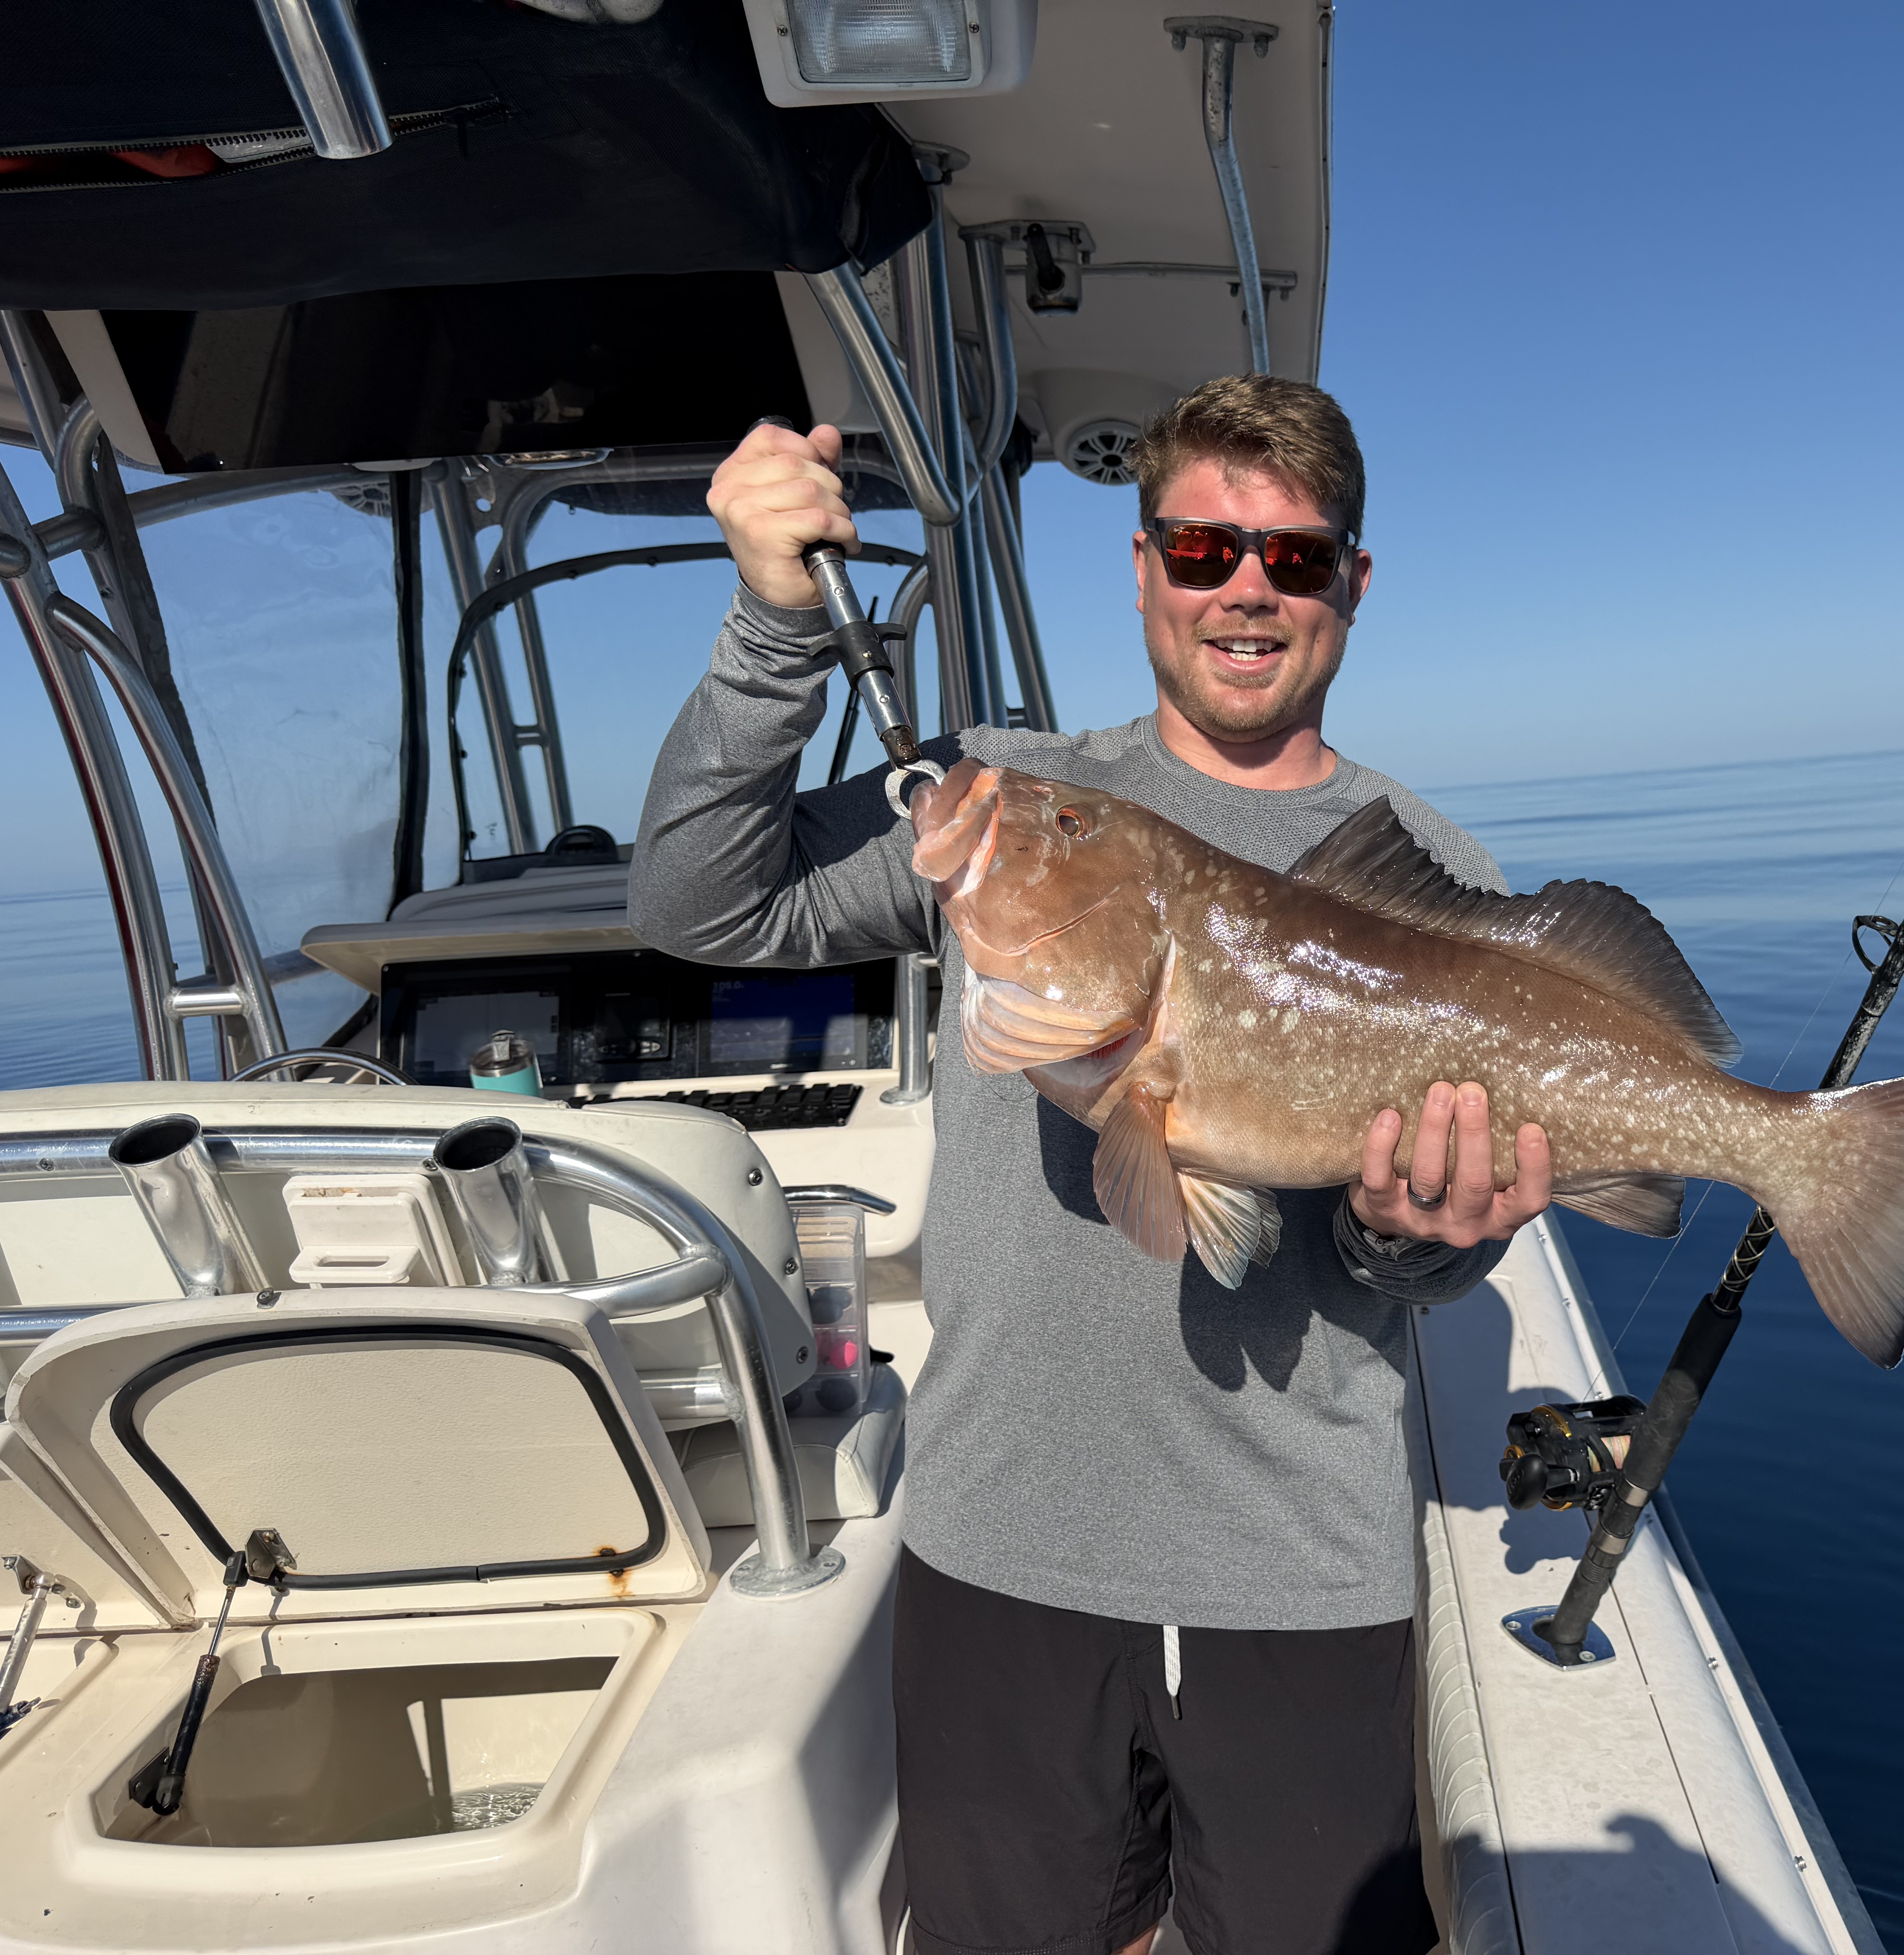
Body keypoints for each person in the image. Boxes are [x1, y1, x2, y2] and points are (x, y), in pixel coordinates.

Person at [631, 376, 1552, 1955]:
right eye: (1199, 549)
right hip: (998, 1546)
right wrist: (774, 628)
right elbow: (702, 910)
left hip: (1301, 1576)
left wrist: (1425, 1238)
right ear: (1141, 568)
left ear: (1350, 586)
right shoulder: (1007, 799)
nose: (1244, 588)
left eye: (1293, 557)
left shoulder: (1434, 872)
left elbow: (1433, 1258)